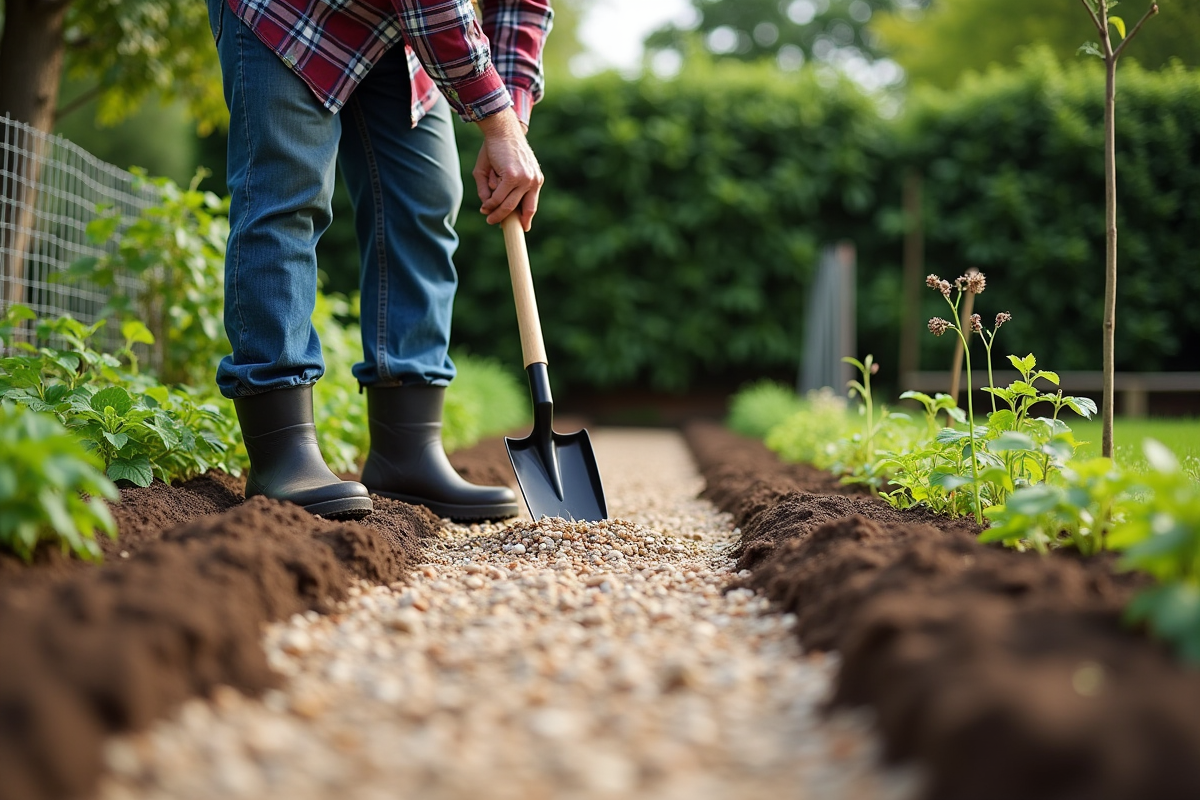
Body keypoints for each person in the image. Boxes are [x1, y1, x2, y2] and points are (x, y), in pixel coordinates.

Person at [204, 0, 550, 521]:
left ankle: (406, 453)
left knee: (425, 204)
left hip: (406, 33)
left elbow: (522, 5)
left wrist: (511, 122)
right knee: (287, 197)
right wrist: (494, 120)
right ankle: (282, 453)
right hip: (292, 13)